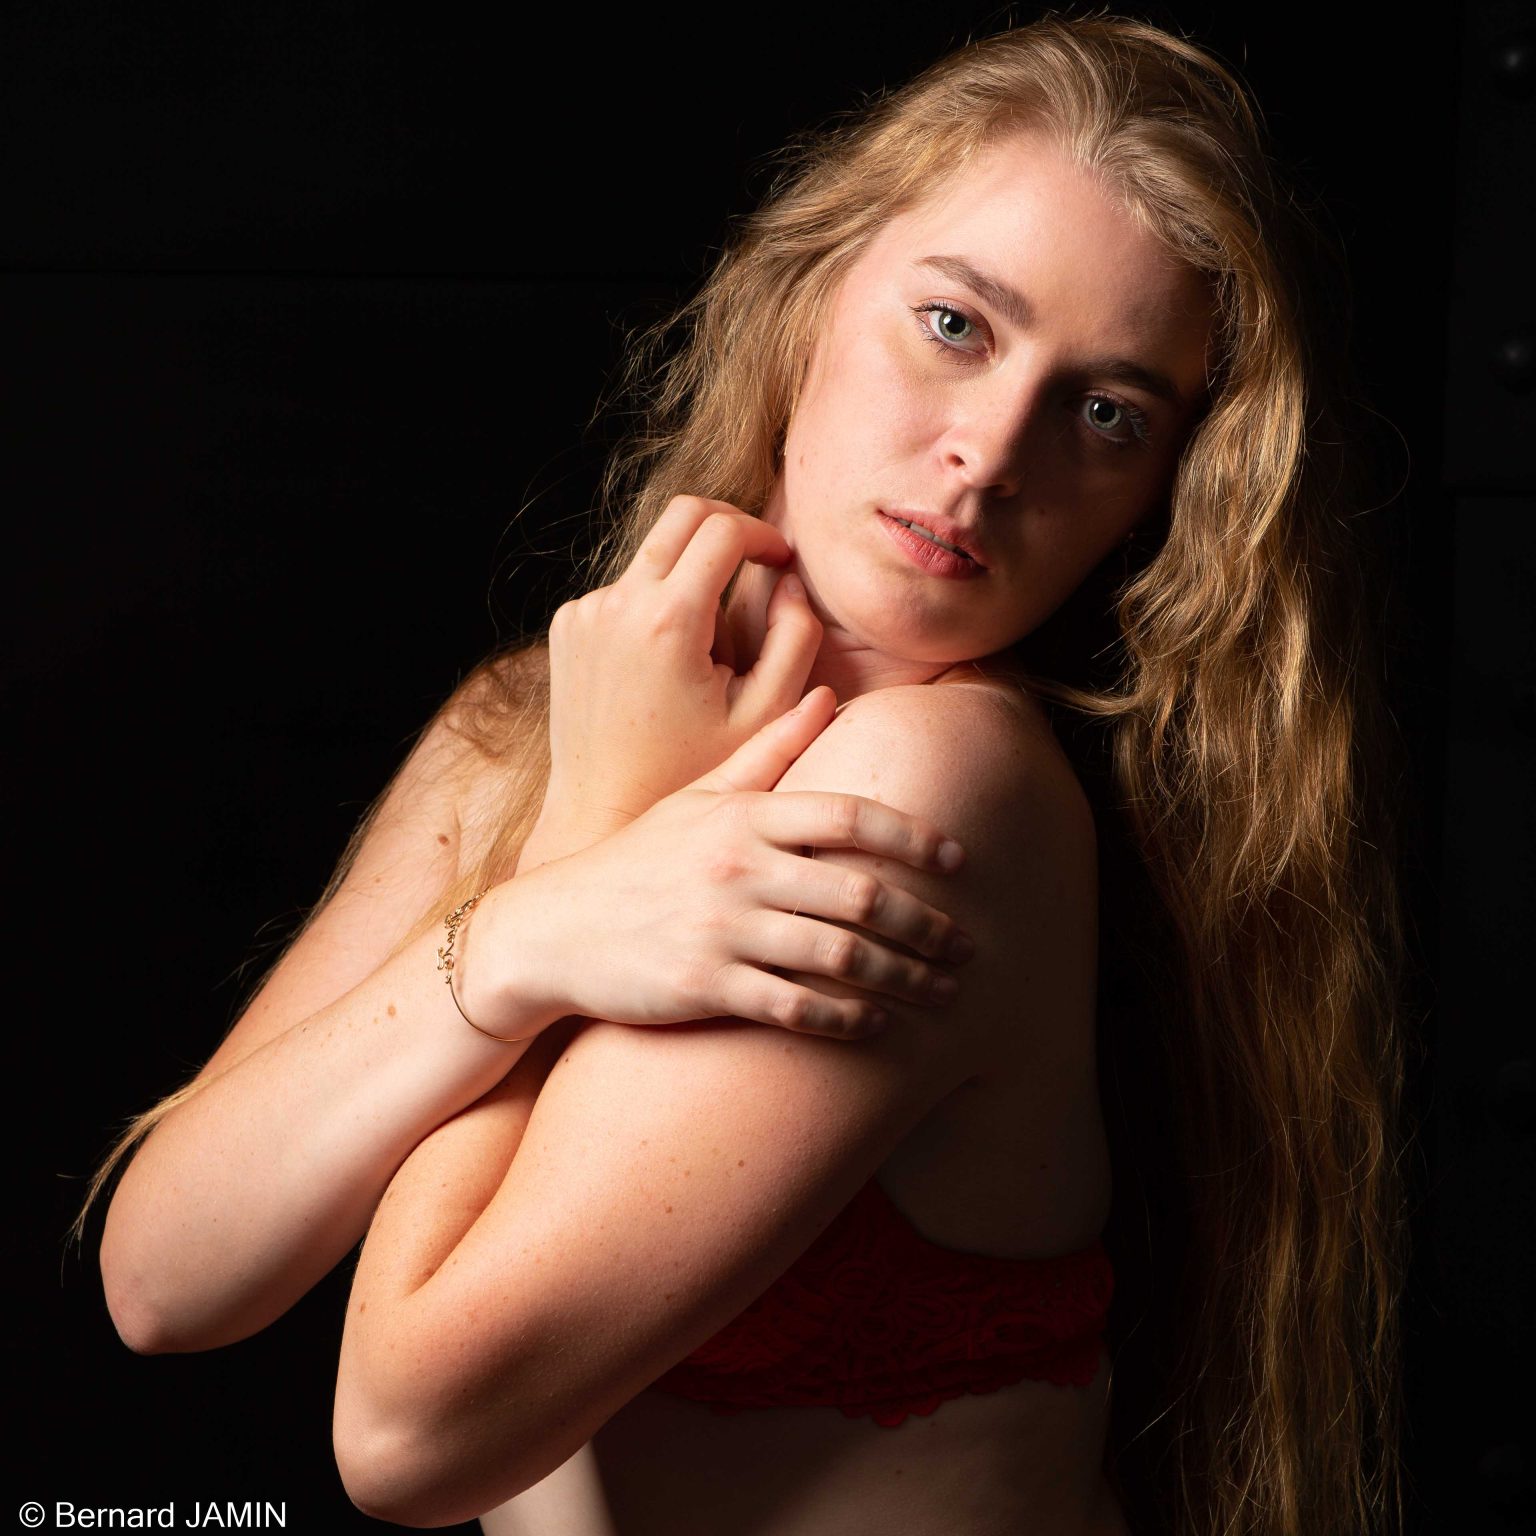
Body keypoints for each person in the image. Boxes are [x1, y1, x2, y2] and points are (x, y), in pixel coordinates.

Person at [72, 14, 1412, 1535]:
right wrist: (553, 893)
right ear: (809, 293)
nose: (989, 454)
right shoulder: (536, 720)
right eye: (956, 325)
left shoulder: (938, 782)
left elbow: (408, 1438)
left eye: (1106, 413)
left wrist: (583, 847)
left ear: (1154, 498)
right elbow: (162, 1282)